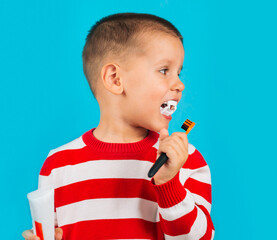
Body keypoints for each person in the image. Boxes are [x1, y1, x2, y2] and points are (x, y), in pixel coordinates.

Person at [22, 12, 214, 240]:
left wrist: (168, 184)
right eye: (164, 71)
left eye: (179, 72)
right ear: (114, 79)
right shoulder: (57, 166)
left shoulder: (187, 161)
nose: (180, 84)